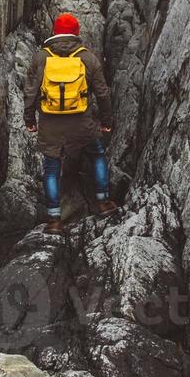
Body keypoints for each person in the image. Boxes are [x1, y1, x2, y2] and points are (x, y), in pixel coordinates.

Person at [23, 12, 117, 233]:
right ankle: (103, 202)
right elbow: (103, 94)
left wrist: (29, 119)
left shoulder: (41, 58)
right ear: (76, 33)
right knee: (96, 155)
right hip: (82, 125)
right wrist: (106, 121)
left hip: (50, 126)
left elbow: (30, 93)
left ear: (55, 32)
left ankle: (54, 219)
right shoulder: (87, 58)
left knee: (51, 169)